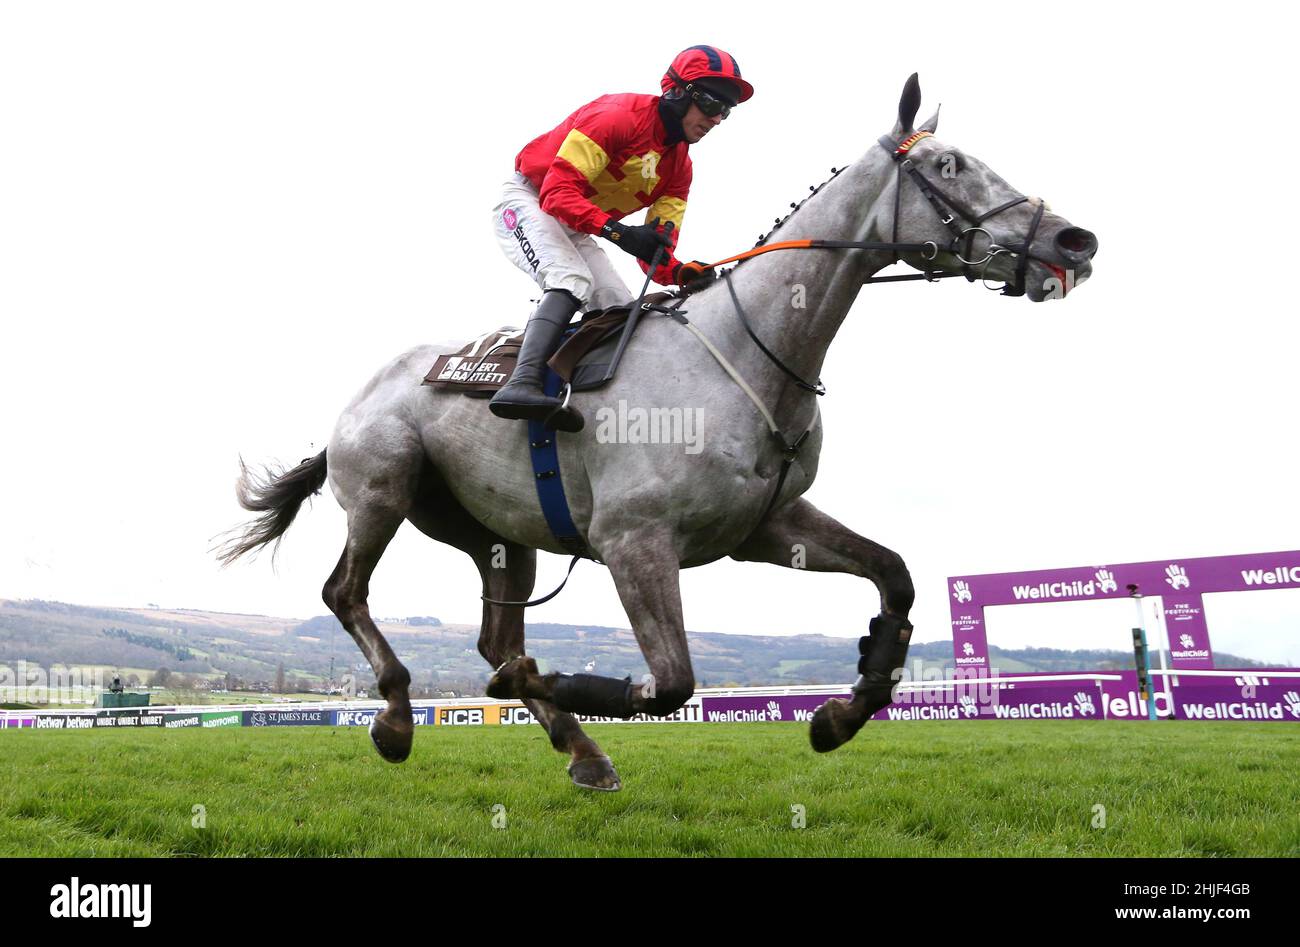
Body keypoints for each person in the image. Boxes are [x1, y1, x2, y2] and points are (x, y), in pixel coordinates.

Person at [488, 45, 753, 430]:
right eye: (712, 103)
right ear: (677, 92)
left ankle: (572, 390)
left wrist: (679, 273)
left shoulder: (679, 169)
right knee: (571, 280)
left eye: (726, 111)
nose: (717, 118)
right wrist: (620, 232)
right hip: (529, 200)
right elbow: (557, 195)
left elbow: (655, 251)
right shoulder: (615, 116)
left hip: (576, 224)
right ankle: (521, 383)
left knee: (619, 307)